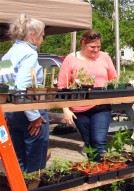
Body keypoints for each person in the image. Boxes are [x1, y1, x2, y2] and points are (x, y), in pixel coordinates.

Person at [58, 30, 117, 161]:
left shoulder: (104, 57)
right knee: (89, 143)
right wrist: (65, 109)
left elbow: (115, 79)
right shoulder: (71, 59)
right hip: (79, 108)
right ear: (83, 43)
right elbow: (62, 86)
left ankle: (102, 173)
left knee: (99, 141)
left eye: (98, 47)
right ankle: (95, 171)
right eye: (92, 47)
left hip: (101, 106)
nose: (96, 50)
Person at [1, 14, 49, 173]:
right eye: (42, 35)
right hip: (29, 110)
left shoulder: (10, 53)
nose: (43, 39)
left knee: (18, 157)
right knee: (35, 160)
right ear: (33, 35)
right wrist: (34, 116)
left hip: (13, 112)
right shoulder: (30, 53)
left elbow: (5, 81)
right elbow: (22, 86)